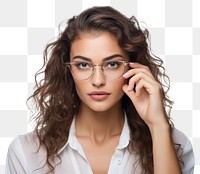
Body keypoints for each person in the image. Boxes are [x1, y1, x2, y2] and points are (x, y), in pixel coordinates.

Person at [6, 6, 194, 174]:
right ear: (68, 70)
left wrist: (158, 126)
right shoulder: (26, 152)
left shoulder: (174, 144)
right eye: (83, 65)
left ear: (133, 67)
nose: (97, 81)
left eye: (112, 64)